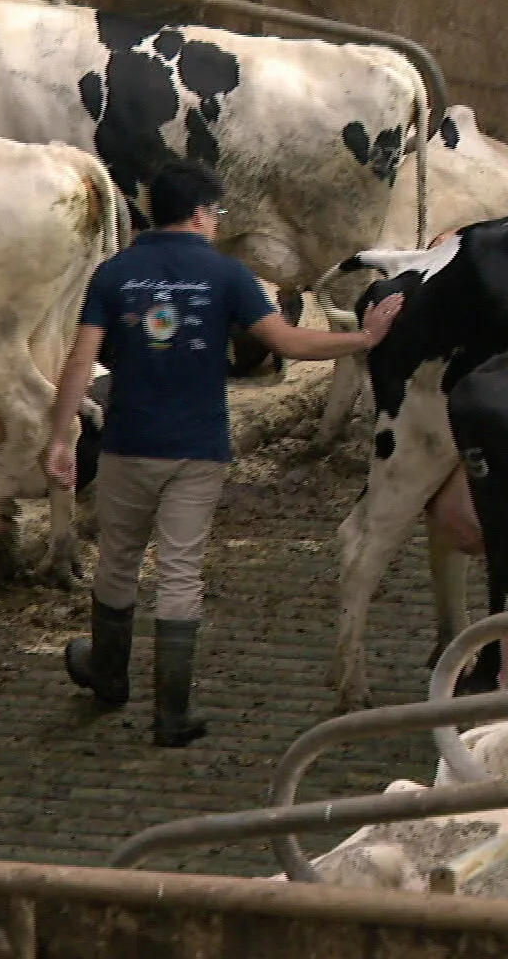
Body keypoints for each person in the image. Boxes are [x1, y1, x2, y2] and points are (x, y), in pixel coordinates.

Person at [41, 159, 405, 747]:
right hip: (197, 447)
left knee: (117, 560)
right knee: (180, 571)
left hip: (128, 444)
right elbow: (285, 340)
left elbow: (80, 360)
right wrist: (364, 339)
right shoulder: (225, 275)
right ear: (204, 213)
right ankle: (171, 713)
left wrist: (60, 438)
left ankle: (108, 675)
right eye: (219, 211)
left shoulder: (115, 273)